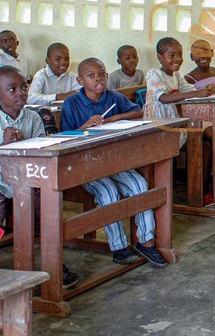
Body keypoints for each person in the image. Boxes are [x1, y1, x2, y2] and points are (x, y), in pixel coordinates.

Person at [60, 58, 168, 268]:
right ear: (80, 80)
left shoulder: (113, 97)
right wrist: (85, 126)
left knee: (140, 185)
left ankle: (145, 242)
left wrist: (112, 120)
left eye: (102, 74)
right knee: (108, 192)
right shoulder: (71, 103)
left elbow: (137, 111)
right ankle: (118, 248)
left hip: (113, 162)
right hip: (86, 166)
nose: (98, 79)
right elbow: (63, 136)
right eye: (91, 76)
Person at [0, 66, 81, 287]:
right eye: (12, 89)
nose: (20, 93)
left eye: (23, 88)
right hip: (0, 184)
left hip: (28, 182)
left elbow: (42, 151)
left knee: (46, 215)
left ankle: (53, 265)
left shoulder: (33, 117)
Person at [144, 37, 214, 203]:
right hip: (158, 128)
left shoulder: (176, 75)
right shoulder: (154, 74)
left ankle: (200, 193)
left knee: (204, 146)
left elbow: (189, 89)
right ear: (160, 57)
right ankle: (162, 195)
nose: (177, 59)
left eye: (180, 55)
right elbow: (164, 98)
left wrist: (205, 89)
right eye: (172, 55)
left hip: (174, 125)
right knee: (200, 142)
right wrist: (196, 93)